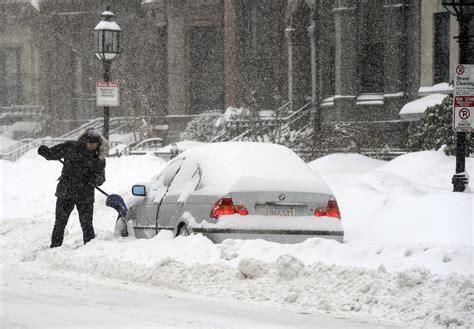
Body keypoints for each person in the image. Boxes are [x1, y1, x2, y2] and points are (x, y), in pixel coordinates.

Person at [37, 128, 107, 248]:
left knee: (87, 225)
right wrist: (44, 151)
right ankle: (55, 246)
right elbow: (52, 154)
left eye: (94, 144)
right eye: (90, 143)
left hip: (85, 194)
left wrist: (93, 179)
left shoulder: (98, 157)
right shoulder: (70, 147)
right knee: (60, 223)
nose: (92, 146)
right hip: (66, 192)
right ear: (84, 141)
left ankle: (90, 248)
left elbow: (101, 178)